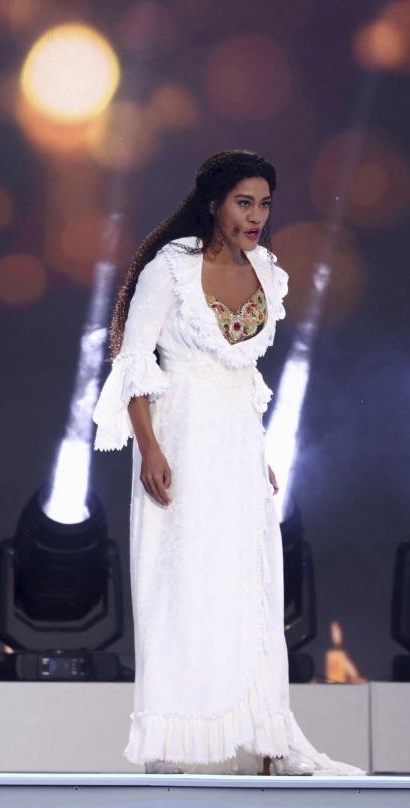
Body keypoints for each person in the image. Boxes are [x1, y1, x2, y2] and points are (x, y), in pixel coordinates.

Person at [93, 150, 362, 776]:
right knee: (181, 587)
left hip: (237, 449)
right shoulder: (172, 269)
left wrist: (258, 454)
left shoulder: (268, 272)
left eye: (265, 204)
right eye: (245, 202)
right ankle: (173, 747)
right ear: (214, 202)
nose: (257, 216)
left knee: (252, 589)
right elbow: (134, 364)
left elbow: (244, 377)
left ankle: (271, 740)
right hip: (179, 443)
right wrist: (149, 449)